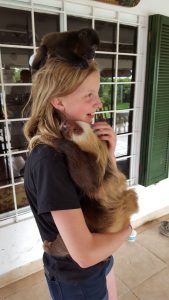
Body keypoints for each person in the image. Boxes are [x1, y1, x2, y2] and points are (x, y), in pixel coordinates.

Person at [24, 37, 132, 300]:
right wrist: (127, 230)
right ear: (58, 101)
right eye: (89, 95)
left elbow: (103, 195)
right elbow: (83, 255)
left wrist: (107, 156)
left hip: (100, 260)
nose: (99, 103)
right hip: (77, 279)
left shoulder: (77, 138)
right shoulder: (49, 160)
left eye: (97, 93)